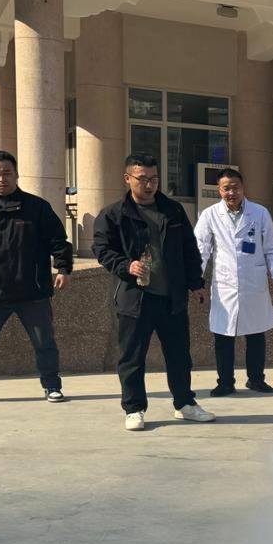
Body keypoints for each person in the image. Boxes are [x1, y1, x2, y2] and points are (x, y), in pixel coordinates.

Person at [93, 153, 214, 431]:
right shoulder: (114, 214)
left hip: (171, 298)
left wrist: (196, 282)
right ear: (127, 178)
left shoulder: (173, 210)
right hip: (135, 299)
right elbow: (102, 249)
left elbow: (189, 248)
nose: (149, 185)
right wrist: (126, 265)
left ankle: (185, 404)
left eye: (154, 179)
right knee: (132, 357)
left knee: (179, 356)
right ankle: (134, 408)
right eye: (143, 179)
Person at [0, 150, 73, 402]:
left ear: (16, 174)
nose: (2, 179)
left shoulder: (37, 207)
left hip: (33, 290)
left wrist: (63, 268)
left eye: (7, 173)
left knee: (44, 341)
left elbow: (58, 241)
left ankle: (52, 385)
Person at [194, 168, 273, 397]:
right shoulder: (209, 215)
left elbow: (272, 247)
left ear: (243, 188)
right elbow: (201, 250)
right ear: (219, 190)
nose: (231, 193)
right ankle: (225, 382)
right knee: (223, 335)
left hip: (254, 282)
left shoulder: (260, 213)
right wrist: (196, 280)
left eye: (236, 187)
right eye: (226, 188)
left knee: (256, 333)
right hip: (224, 283)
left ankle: (256, 379)